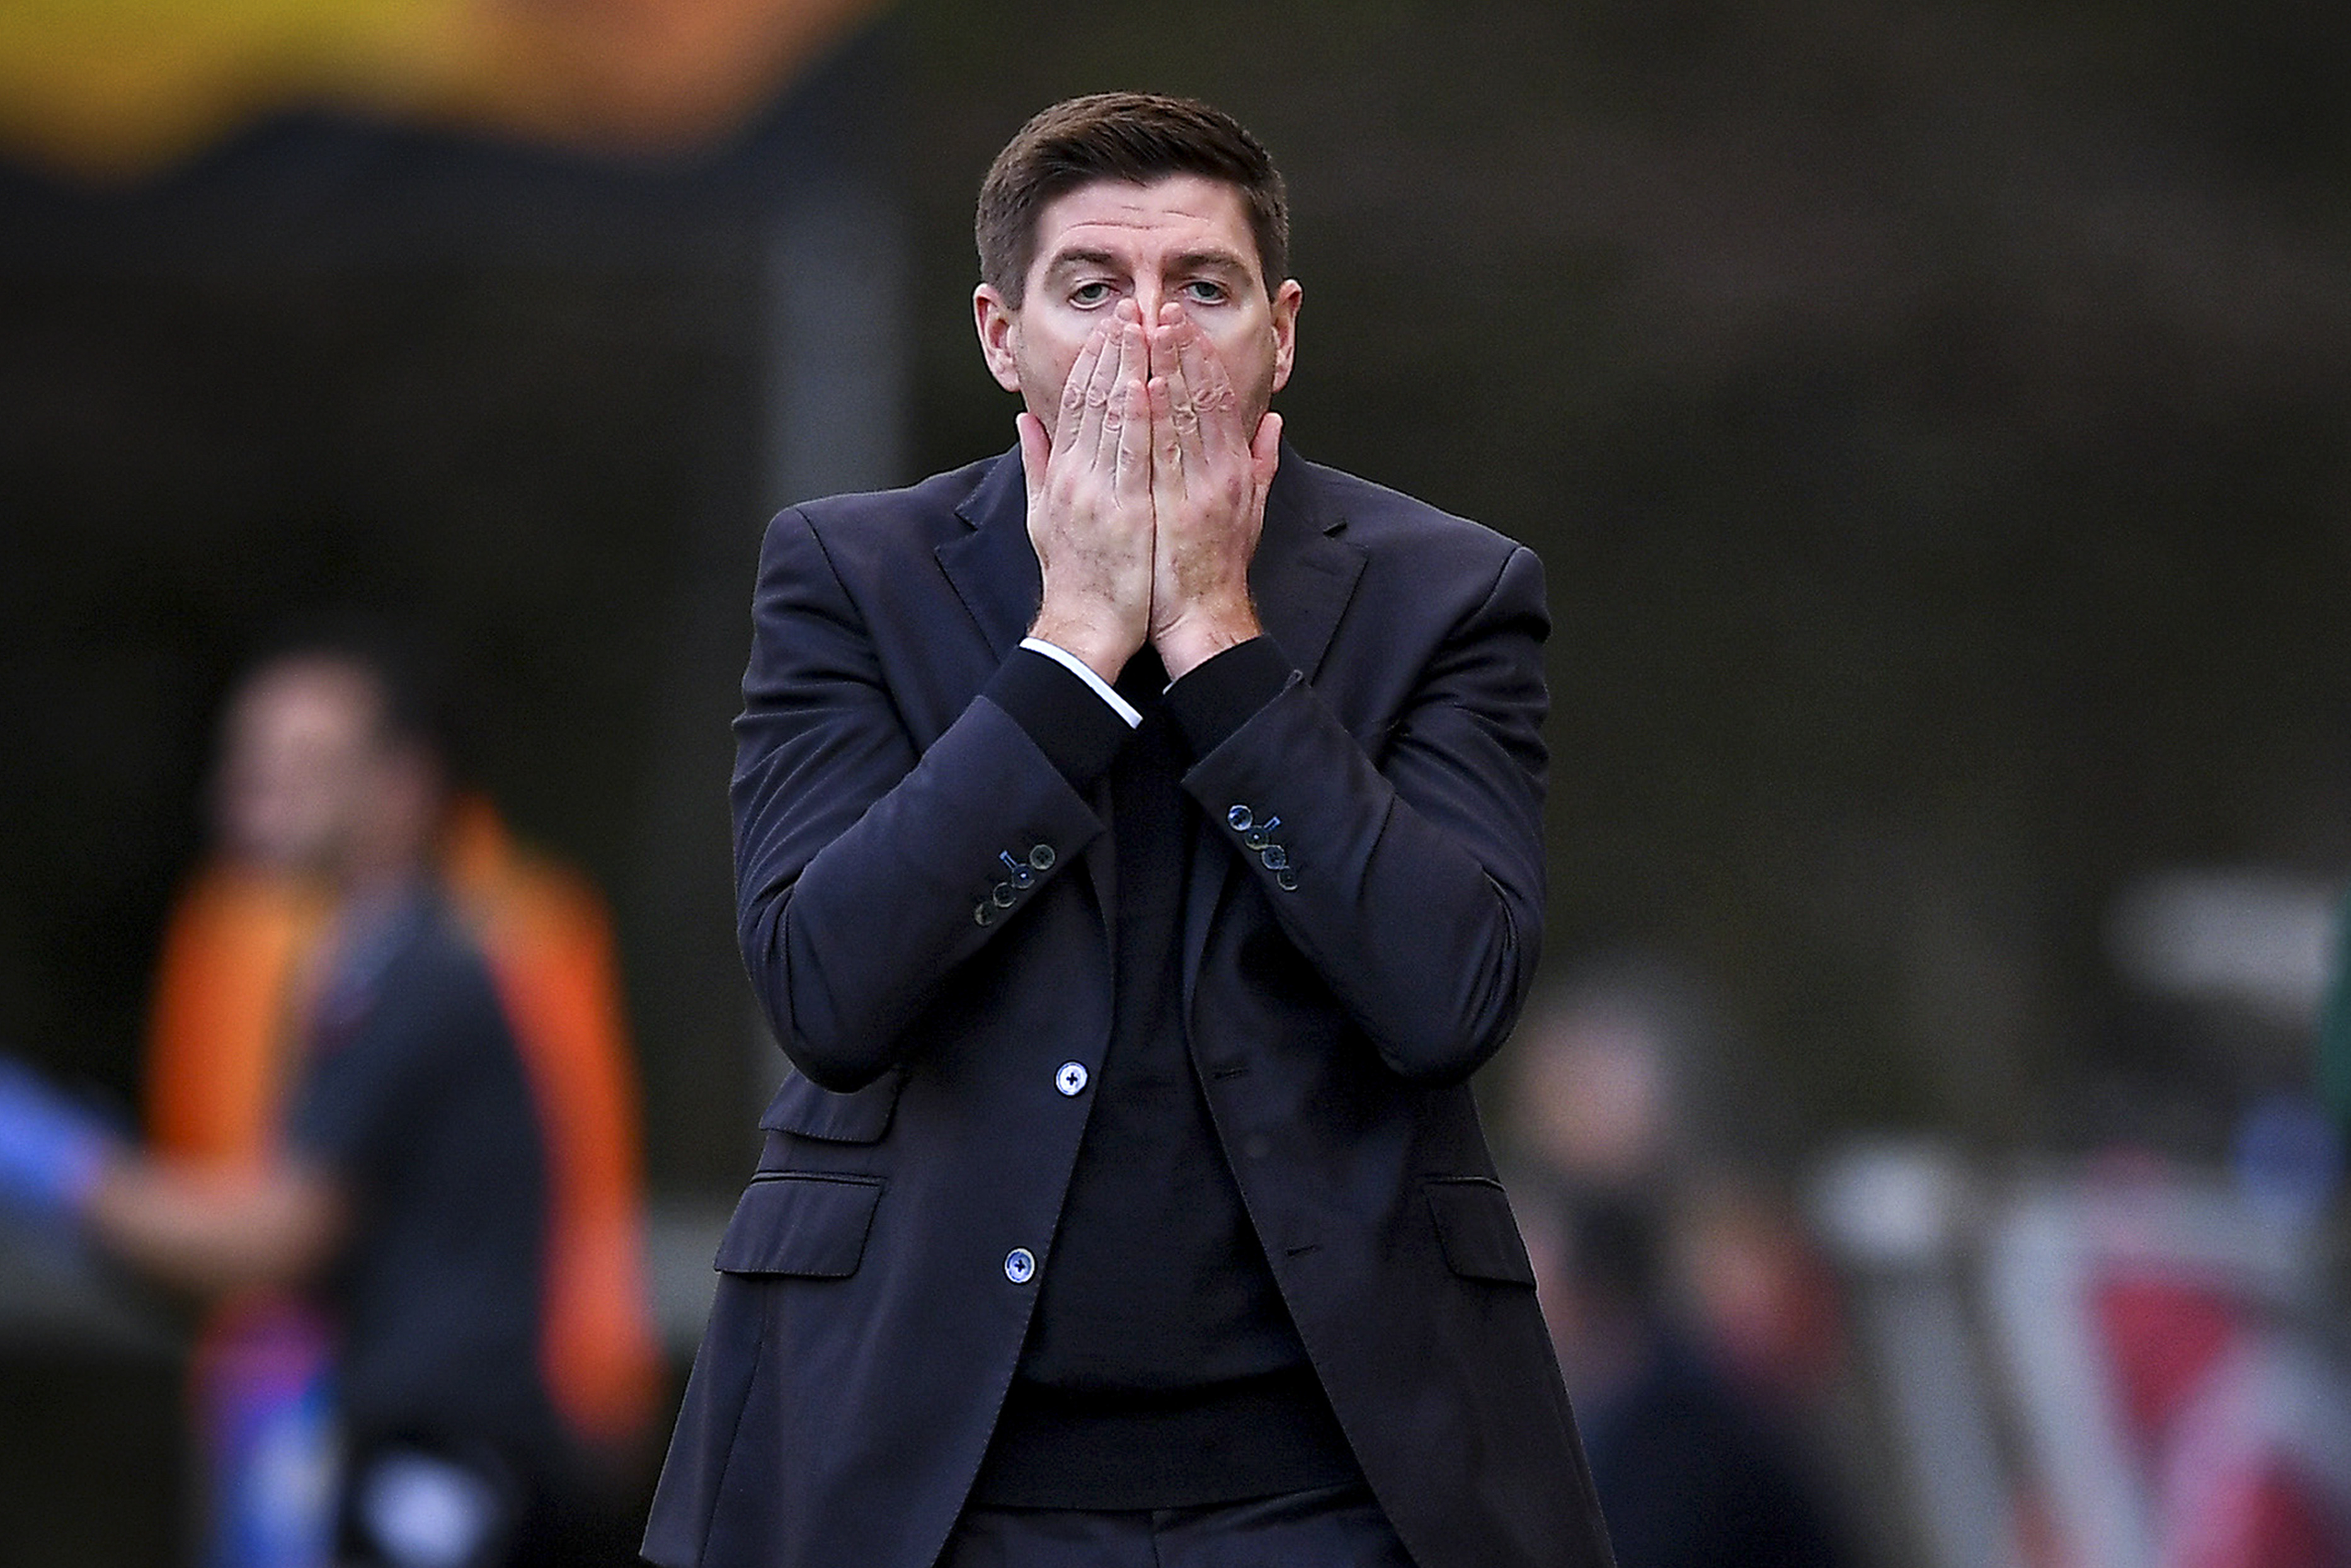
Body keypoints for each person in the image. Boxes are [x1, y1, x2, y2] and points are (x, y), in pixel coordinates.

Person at [643, 93, 1615, 1568]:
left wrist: (1220, 640)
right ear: (999, 335)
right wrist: (1077, 643)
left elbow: (1447, 996)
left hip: (1337, 1482)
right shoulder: (852, 574)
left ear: (1280, 332)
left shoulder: (1450, 594)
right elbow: (828, 991)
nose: (1147, 335)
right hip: (925, 1476)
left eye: (1201, 288)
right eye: (1092, 287)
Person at [0, 634, 566, 1568]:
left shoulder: (420, 977)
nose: (253, 786)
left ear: (404, 786)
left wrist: (48, 1157)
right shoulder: (343, 968)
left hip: (444, 1466)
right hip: (380, 1446)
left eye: (304, 759)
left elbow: (272, 1236)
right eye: (248, 753)